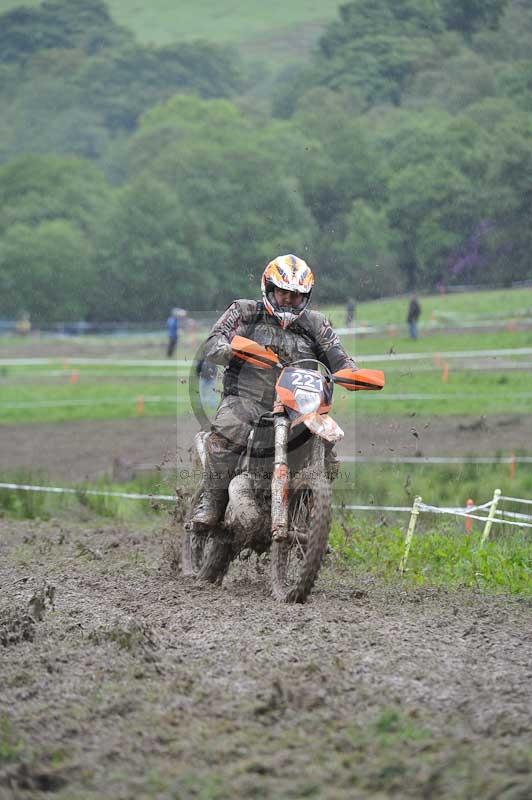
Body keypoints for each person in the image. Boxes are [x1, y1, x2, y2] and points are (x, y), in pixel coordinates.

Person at [190, 253, 358, 530]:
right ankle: (212, 500)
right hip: (246, 399)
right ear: (269, 288)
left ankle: (309, 520)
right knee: (226, 436)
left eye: (296, 295)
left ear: (306, 296)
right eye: (283, 293)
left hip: (298, 404)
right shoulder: (244, 312)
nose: (288, 300)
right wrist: (229, 350)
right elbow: (213, 341)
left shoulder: (316, 324)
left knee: (327, 455)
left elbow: (338, 357)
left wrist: (350, 372)